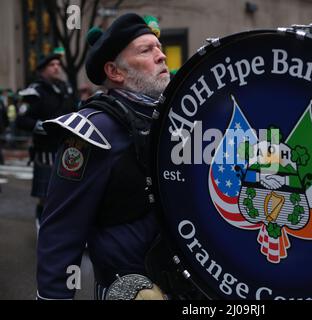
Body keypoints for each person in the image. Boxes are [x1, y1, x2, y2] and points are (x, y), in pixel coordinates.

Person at [37, 13, 197, 300]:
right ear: (115, 72)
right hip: (130, 289)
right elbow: (62, 231)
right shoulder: (92, 132)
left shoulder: (181, 119)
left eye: (158, 47)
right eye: (146, 50)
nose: (161, 56)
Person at [16, 51, 77, 227]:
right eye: (52, 65)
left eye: (58, 64)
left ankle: (62, 227)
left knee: (67, 193)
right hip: (45, 151)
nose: (57, 67)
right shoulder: (34, 92)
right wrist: (42, 126)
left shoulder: (65, 88)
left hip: (67, 148)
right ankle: (41, 226)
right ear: (42, 69)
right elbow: (21, 120)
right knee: (46, 196)